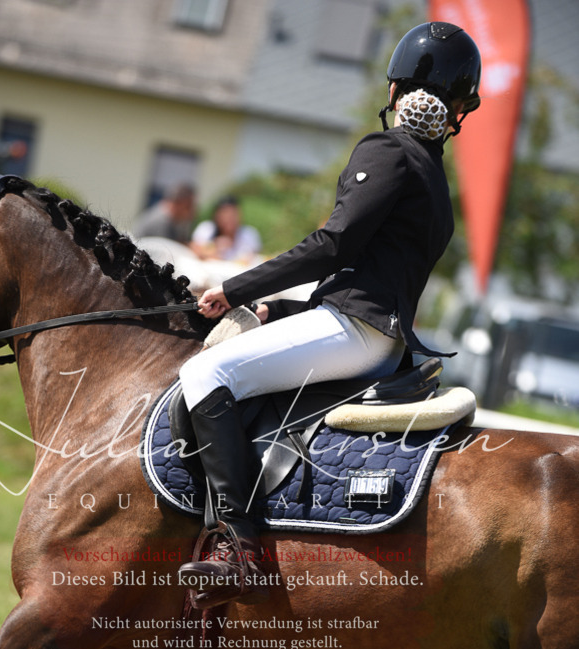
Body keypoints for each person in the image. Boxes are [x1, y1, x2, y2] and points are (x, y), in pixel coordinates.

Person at [177, 22, 481, 609]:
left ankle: (238, 549)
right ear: (457, 113)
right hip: (381, 339)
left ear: (394, 92)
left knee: (204, 373)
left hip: (355, 333)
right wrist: (281, 306)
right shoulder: (434, 180)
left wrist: (234, 288)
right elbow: (374, 274)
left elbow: (333, 246)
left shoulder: (387, 150)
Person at [191, 195, 262, 263]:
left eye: (233, 214)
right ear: (217, 216)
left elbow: (256, 258)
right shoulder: (207, 228)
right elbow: (194, 249)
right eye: (225, 214)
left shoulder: (249, 234)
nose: (229, 219)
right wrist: (214, 247)